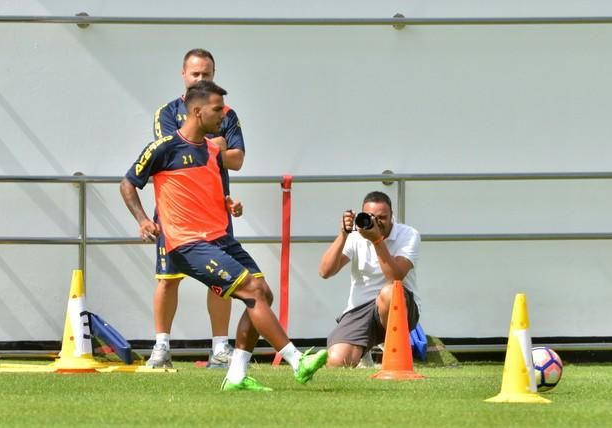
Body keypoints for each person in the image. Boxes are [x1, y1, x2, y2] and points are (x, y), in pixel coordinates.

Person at [121, 80, 327, 391]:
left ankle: (236, 375)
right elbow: (127, 184)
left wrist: (229, 203)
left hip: (220, 237)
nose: (223, 116)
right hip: (187, 244)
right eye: (218, 110)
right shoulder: (163, 149)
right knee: (254, 292)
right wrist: (142, 220)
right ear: (197, 110)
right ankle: (297, 360)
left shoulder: (214, 150)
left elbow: (211, 189)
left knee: (263, 294)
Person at [148, 48, 245, 369]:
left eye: (207, 74)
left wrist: (216, 149)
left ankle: (220, 347)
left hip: (216, 212)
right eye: (195, 74)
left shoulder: (227, 113)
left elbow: (238, 159)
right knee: (168, 278)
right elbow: (172, 151)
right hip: (176, 214)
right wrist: (215, 147)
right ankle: (161, 346)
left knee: (223, 280)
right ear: (183, 74)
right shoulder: (167, 111)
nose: (201, 79)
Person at [318, 191, 421, 367]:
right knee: (336, 361)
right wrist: (343, 234)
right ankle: (363, 352)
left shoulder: (408, 234)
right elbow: (325, 271)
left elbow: (395, 277)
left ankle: (392, 358)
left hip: (398, 305)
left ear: (392, 216)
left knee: (389, 291)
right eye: (371, 216)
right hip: (360, 309)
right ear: (361, 215)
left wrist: (377, 241)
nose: (376, 222)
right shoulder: (355, 236)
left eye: (382, 217)